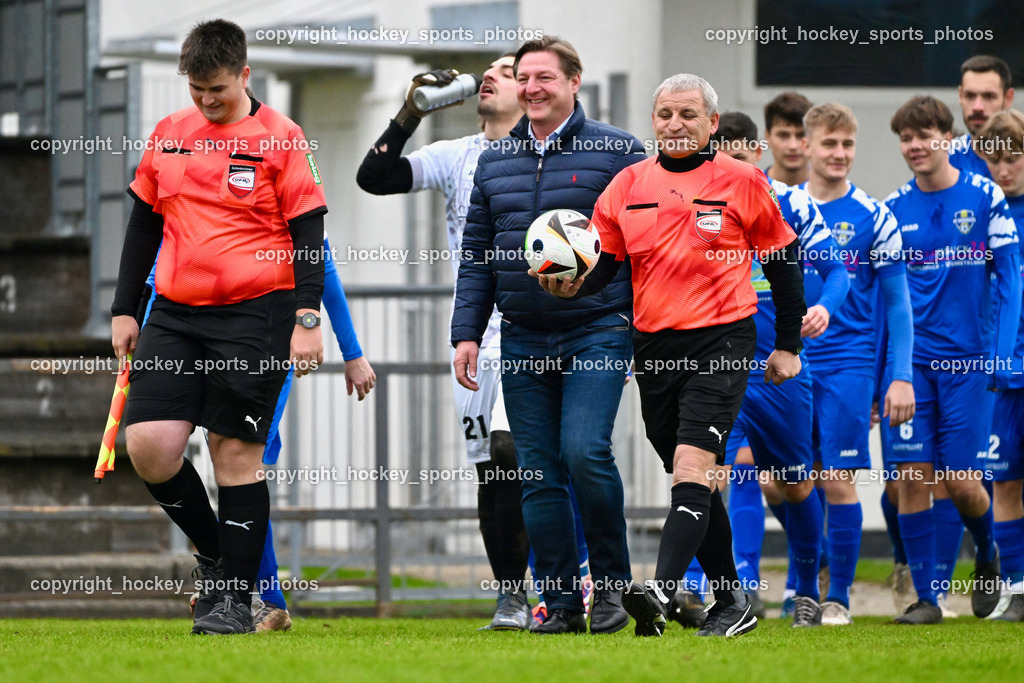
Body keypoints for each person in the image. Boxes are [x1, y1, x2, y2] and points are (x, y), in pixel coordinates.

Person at [539, 75, 809, 638]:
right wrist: (572, 285)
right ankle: (732, 602)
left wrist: (787, 345)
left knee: (692, 466)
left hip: (723, 339)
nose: (675, 124)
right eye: (665, 114)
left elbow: (783, 261)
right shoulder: (627, 184)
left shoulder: (743, 180)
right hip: (655, 347)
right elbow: (606, 269)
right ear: (653, 121)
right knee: (696, 479)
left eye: (688, 114)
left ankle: (660, 592)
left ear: (712, 123)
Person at [355, 54, 592, 631]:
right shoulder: (456, 153)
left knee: (522, 453)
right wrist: (410, 113)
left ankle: (574, 578)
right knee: (493, 469)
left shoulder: (552, 154)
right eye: (492, 70)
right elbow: (374, 178)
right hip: (473, 336)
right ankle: (512, 597)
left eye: (509, 71)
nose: (492, 76)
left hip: (534, 328)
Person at [110, 19, 327, 635]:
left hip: (257, 313)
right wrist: (124, 307)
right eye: (197, 89)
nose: (206, 100)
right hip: (176, 313)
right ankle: (218, 558)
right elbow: (144, 223)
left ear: (244, 75)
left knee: (234, 455)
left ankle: (233, 602)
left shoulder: (282, 137)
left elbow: (309, 235)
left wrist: (307, 318)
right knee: (149, 445)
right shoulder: (169, 134)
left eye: (218, 90)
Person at [452, 36, 645, 635]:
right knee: (535, 472)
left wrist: (635, 326)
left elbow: (643, 246)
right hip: (523, 335)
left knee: (584, 453)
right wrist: (466, 333)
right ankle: (559, 604)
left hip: (597, 330)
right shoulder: (494, 161)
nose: (532, 88)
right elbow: (477, 255)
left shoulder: (618, 151)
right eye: (525, 78)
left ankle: (609, 590)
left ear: (573, 83)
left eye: (545, 78)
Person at [884, 95, 1021, 624]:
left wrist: (1001, 357)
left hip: (970, 366)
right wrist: (889, 376)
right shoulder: (894, 209)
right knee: (912, 479)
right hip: (914, 368)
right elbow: (887, 302)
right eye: (906, 138)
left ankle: (986, 551)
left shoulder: (985, 197)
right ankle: (928, 598)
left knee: (963, 482)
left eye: (925, 135)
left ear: (947, 138)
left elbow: (1009, 280)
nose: (915, 146)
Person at [710, 112, 849, 628]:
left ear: (758, 153)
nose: (735, 167)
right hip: (718, 366)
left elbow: (837, 271)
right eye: (725, 157)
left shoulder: (791, 203)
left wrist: (824, 307)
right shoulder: (700, 205)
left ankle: (807, 589)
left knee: (794, 483)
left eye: (743, 156)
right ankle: (713, 590)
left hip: (780, 368)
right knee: (707, 475)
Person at [798, 103, 916, 625]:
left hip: (848, 363)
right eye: (830, 143)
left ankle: (837, 599)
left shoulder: (875, 215)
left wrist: (898, 375)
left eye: (847, 144)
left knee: (838, 477)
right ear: (807, 146)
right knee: (788, 480)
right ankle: (810, 578)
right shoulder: (783, 209)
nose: (840, 153)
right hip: (790, 362)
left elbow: (898, 305)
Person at [975, 110, 1024, 621]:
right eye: (996, 161)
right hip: (1002, 373)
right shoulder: (984, 214)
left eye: (1014, 159)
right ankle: (1018, 589)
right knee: (1005, 481)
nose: (1004, 170)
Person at [950, 55, 1015, 178]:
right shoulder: (945, 158)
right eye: (970, 95)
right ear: (960, 96)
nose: (977, 107)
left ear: (1008, 98)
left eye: (989, 96)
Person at [764, 92, 813, 186]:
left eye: (801, 135)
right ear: (767, 136)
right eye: (783, 135)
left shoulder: (833, 192)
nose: (793, 146)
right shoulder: (750, 190)